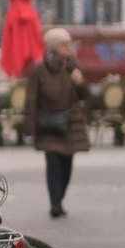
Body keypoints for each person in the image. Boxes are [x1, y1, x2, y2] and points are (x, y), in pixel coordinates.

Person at [24, 27, 89, 218]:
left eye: (69, 44)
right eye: (64, 44)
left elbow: (86, 96)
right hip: (48, 124)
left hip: (70, 124)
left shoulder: (72, 67)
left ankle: (59, 198)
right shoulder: (39, 70)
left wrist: (80, 83)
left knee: (67, 165)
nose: (68, 47)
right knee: (53, 164)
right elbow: (31, 99)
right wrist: (29, 126)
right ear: (53, 47)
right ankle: (55, 202)